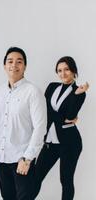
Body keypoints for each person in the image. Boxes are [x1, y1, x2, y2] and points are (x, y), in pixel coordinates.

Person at [0, 47, 47, 200]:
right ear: (4, 66)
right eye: (10, 61)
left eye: (19, 61)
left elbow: (40, 128)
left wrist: (27, 159)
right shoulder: (0, 91)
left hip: (21, 159)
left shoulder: (32, 91)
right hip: (1, 159)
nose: (14, 65)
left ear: (25, 66)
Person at [32, 56, 89, 200]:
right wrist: (64, 119)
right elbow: (45, 112)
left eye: (66, 70)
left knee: (66, 180)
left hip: (70, 143)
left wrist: (76, 95)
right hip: (50, 143)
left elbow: (71, 114)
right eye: (59, 70)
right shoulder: (52, 87)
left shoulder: (79, 92)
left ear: (73, 71)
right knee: (35, 177)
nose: (62, 74)